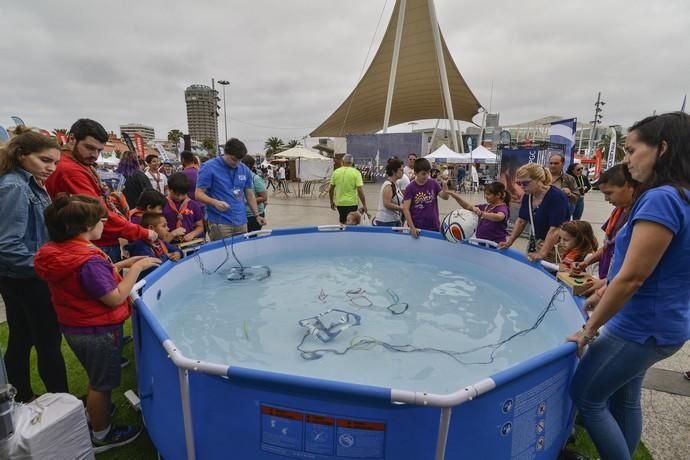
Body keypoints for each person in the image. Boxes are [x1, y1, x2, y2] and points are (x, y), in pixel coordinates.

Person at [567, 112, 690, 460]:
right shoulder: (683, 195)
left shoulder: (661, 198)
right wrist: (606, 288)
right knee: (626, 396)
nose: (626, 160)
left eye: (631, 150)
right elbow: (655, 266)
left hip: (639, 328)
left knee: (587, 397)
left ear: (661, 149)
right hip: (664, 325)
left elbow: (635, 276)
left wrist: (588, 330)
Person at [34, 194, 160, 453]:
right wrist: (137, 269)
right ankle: (102, 433)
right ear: (84, 228)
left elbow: (91, 279)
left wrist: (123, 263)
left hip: (76, 326)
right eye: (101, 221)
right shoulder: (88, 260)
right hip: (97, 330)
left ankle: (97, 412)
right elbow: (114, 298)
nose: (105, 225)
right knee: (101, 384)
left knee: (96, 378)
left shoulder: (63, 251)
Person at [0, 127, 68, 403]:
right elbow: (7, 244)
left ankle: (21, 397)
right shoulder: (14, 187)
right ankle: (64, 406)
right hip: (27, 278)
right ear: (21, 155)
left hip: (22, 276)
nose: (51, 168)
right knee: (47, 343)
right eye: (45, 160)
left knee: (23, 337)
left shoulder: (28, 183)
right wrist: (49, 269)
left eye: (55, 162)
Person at [45, 119, 156, 262]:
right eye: (90, 148)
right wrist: (142, 232)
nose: (95, 155)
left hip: (97, 242)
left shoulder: (78, 163)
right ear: (71, 139)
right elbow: (95, 213)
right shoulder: (70, 170)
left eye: (99, 150)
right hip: (95, 244)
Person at [571, 164, 636, 285]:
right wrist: (586, 262)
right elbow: (608, 246)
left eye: (609, 193)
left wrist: (607, 284)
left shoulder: (640, 219)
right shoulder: (617, 212)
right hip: (606, 277)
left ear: (629, 186)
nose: (606, 199)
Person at [499, 163, 569, 263]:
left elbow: (555, 229)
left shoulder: (557, 197)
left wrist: (542, 253)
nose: (522, 187)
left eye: (526, 183)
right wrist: (509, 242)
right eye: (519, 183)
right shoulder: (528, 196)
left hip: (555, 245)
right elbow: (521, 221)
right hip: (536, 241)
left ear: (539, 179)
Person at [195, 138, 265, 239]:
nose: (237, 163)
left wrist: (257, 215)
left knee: (241, 252)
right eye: (234, 159)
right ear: (225, 153)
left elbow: (249, 194)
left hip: (241, 222)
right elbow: (198, 194)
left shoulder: (244, 169)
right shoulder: (209, 167)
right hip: (220, 223)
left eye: (240, 160)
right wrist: (215, 202)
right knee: (222, 253)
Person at [402, 157, 450, 238]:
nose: (427, 176)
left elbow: (445, 197)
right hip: (418, 228)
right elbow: (405, 209)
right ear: (416, 173)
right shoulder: (410, 188)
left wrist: (445, 184)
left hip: (434, 226)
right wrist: (412, 227)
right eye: (423, 173)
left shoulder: (433, 183)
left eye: (428, 173)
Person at [126, 212, 182, 278]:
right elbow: (152, 266)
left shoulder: (160, 242)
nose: (168, 229)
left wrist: (178, 253)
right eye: (164, 226)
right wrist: (167, 256)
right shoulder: (140, 246)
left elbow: (177, 249)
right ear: (151, 228)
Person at [162, 173, 204, 242]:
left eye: (183, 194)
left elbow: (200, 226)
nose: (180, 197)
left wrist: (193, 234)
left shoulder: (194, 205)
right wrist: (172, 235)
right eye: (177, 195)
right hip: (169, 243)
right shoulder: (162, 204)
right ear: (169, 189)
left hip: (189, 242)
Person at [329, 154, 369, 224]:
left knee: (343, 223)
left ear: (343, 161)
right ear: (352, 163)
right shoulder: (356, 173)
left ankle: (343, 233)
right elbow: (360, 190)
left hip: (340, 204)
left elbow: (331, 189)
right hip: (352, 204)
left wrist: (331, 202)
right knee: (352, 223)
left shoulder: (336, 172)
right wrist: (364, 204)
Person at [374, 158, 404, 226]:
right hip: (386, 221)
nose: (403, 172)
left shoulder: (395, 184)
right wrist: (402, 208)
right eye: (401, 170)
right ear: (394, 171)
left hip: (394, 219)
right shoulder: (388, 185)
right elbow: (387, 204)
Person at [241, 155, 268, 232]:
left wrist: (247, 201)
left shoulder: (255, 178)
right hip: (241, 215)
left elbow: (264, 197)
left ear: (247, 165)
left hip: (253, 215)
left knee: (252, 238)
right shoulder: (238, 177)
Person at [548, 153, 579, 217]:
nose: (553, 165)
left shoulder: (569, 179)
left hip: (560, 214)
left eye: (556, 163)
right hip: (542, 212)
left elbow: (576, 198)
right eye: (551, 163)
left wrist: (570, 194)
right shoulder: (541, 177)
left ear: (562, 164)